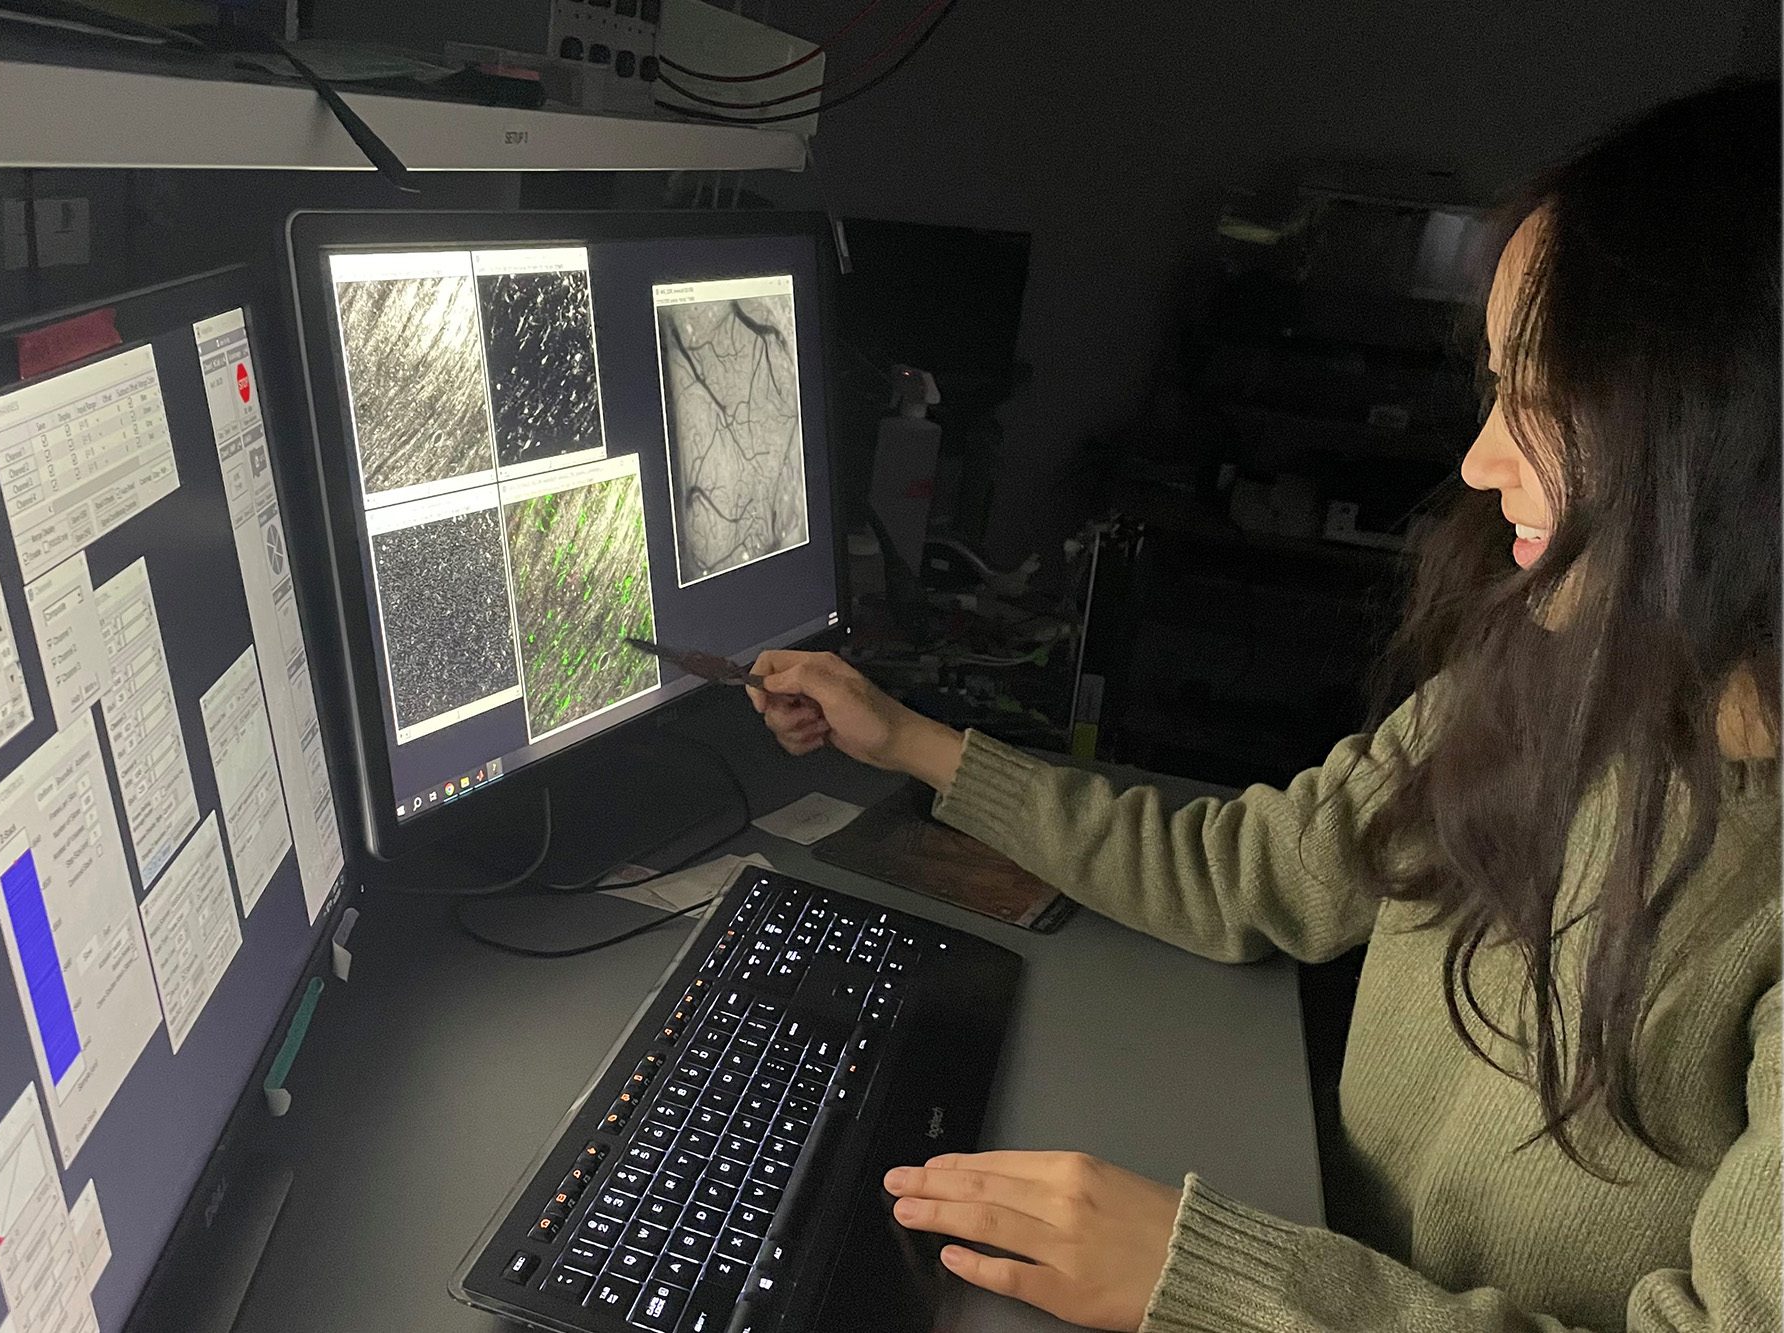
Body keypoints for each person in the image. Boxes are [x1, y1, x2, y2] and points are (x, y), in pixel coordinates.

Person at [749, 78, 1779, 1332]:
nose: (1475, 461)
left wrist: (1211, 1281)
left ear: (1732, 448)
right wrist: (904, 739)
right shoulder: (1548, 673)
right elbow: (1252, 870)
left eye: (1545, 405)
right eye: (1495, 384)